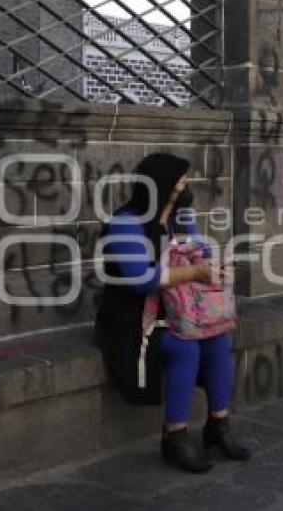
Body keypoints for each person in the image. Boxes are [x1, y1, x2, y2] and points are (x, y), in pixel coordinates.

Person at [95, 152, 250, 473]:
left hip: (177, 310)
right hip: (131, 319)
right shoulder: (126, 223)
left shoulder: (180, 217)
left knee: (217, 340)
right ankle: (174, 437)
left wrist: (211, 266)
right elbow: (142, 280)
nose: (184, 190)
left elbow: (199, 251)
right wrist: (194, 274)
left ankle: (217, 426)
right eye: (179, 186)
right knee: (184, 346)